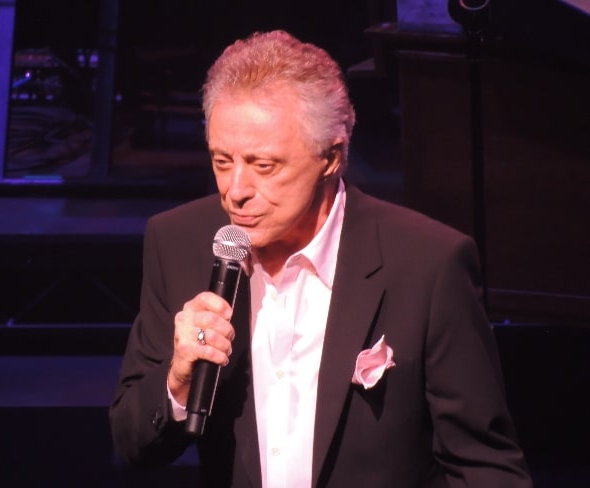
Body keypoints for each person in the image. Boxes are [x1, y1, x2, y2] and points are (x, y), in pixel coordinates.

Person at [110, 30, 532, 487]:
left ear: (330, 157)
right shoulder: (180, 241)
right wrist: (176, 383)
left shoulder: (427, 264)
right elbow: (131, 444)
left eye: (264, 166)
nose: (236, 191)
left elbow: (487, 469)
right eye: (221, 160)